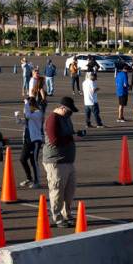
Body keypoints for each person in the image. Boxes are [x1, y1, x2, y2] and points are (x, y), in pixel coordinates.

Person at [43, 96, 79, 227]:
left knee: (69, 190)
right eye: (69, 111)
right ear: (62, 108)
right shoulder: (52, 119)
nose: (70, 114)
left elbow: (69, 133)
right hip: (56, 161)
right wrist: (71, 138)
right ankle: (57, 217)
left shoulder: (66, 118)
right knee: (57, 190)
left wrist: (75, 135)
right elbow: (54, 140)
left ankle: (66, 213)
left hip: (68, 160)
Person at [19, 97, 44, 188]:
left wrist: (26, 103)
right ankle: (29, 178)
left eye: (28, 105)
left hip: (35, 140)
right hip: (27, 140)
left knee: (34, 161)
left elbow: (28, 115)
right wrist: (18, 118)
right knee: (22, 159)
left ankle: (37, 181)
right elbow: (24, 121)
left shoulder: (38, 113)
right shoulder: (31, 113)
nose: (26, 107)